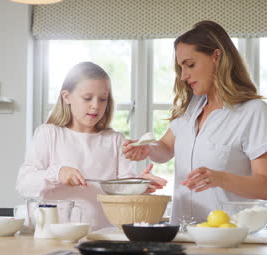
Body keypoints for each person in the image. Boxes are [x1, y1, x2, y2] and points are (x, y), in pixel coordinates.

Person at [123, 21, 267, 224]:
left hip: (226, 238)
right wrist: (146, 148)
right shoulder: (192, 107)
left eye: (190, 65)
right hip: (183, 236)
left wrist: (220, 178)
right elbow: (165, 148)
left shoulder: (252, 111)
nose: (183, 75)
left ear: (216, 57)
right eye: (181, 67)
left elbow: (265, 187)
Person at [16, 62, 167, 231]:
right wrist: (57, 173)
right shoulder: (49, 134)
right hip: (56, 234)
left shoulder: (115, 140)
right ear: (66, 97)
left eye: (102, 99)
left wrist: (140, 185)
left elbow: (123, 195)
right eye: (87, 98)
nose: (96, 105)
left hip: (103, 235)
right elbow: (24, 184)